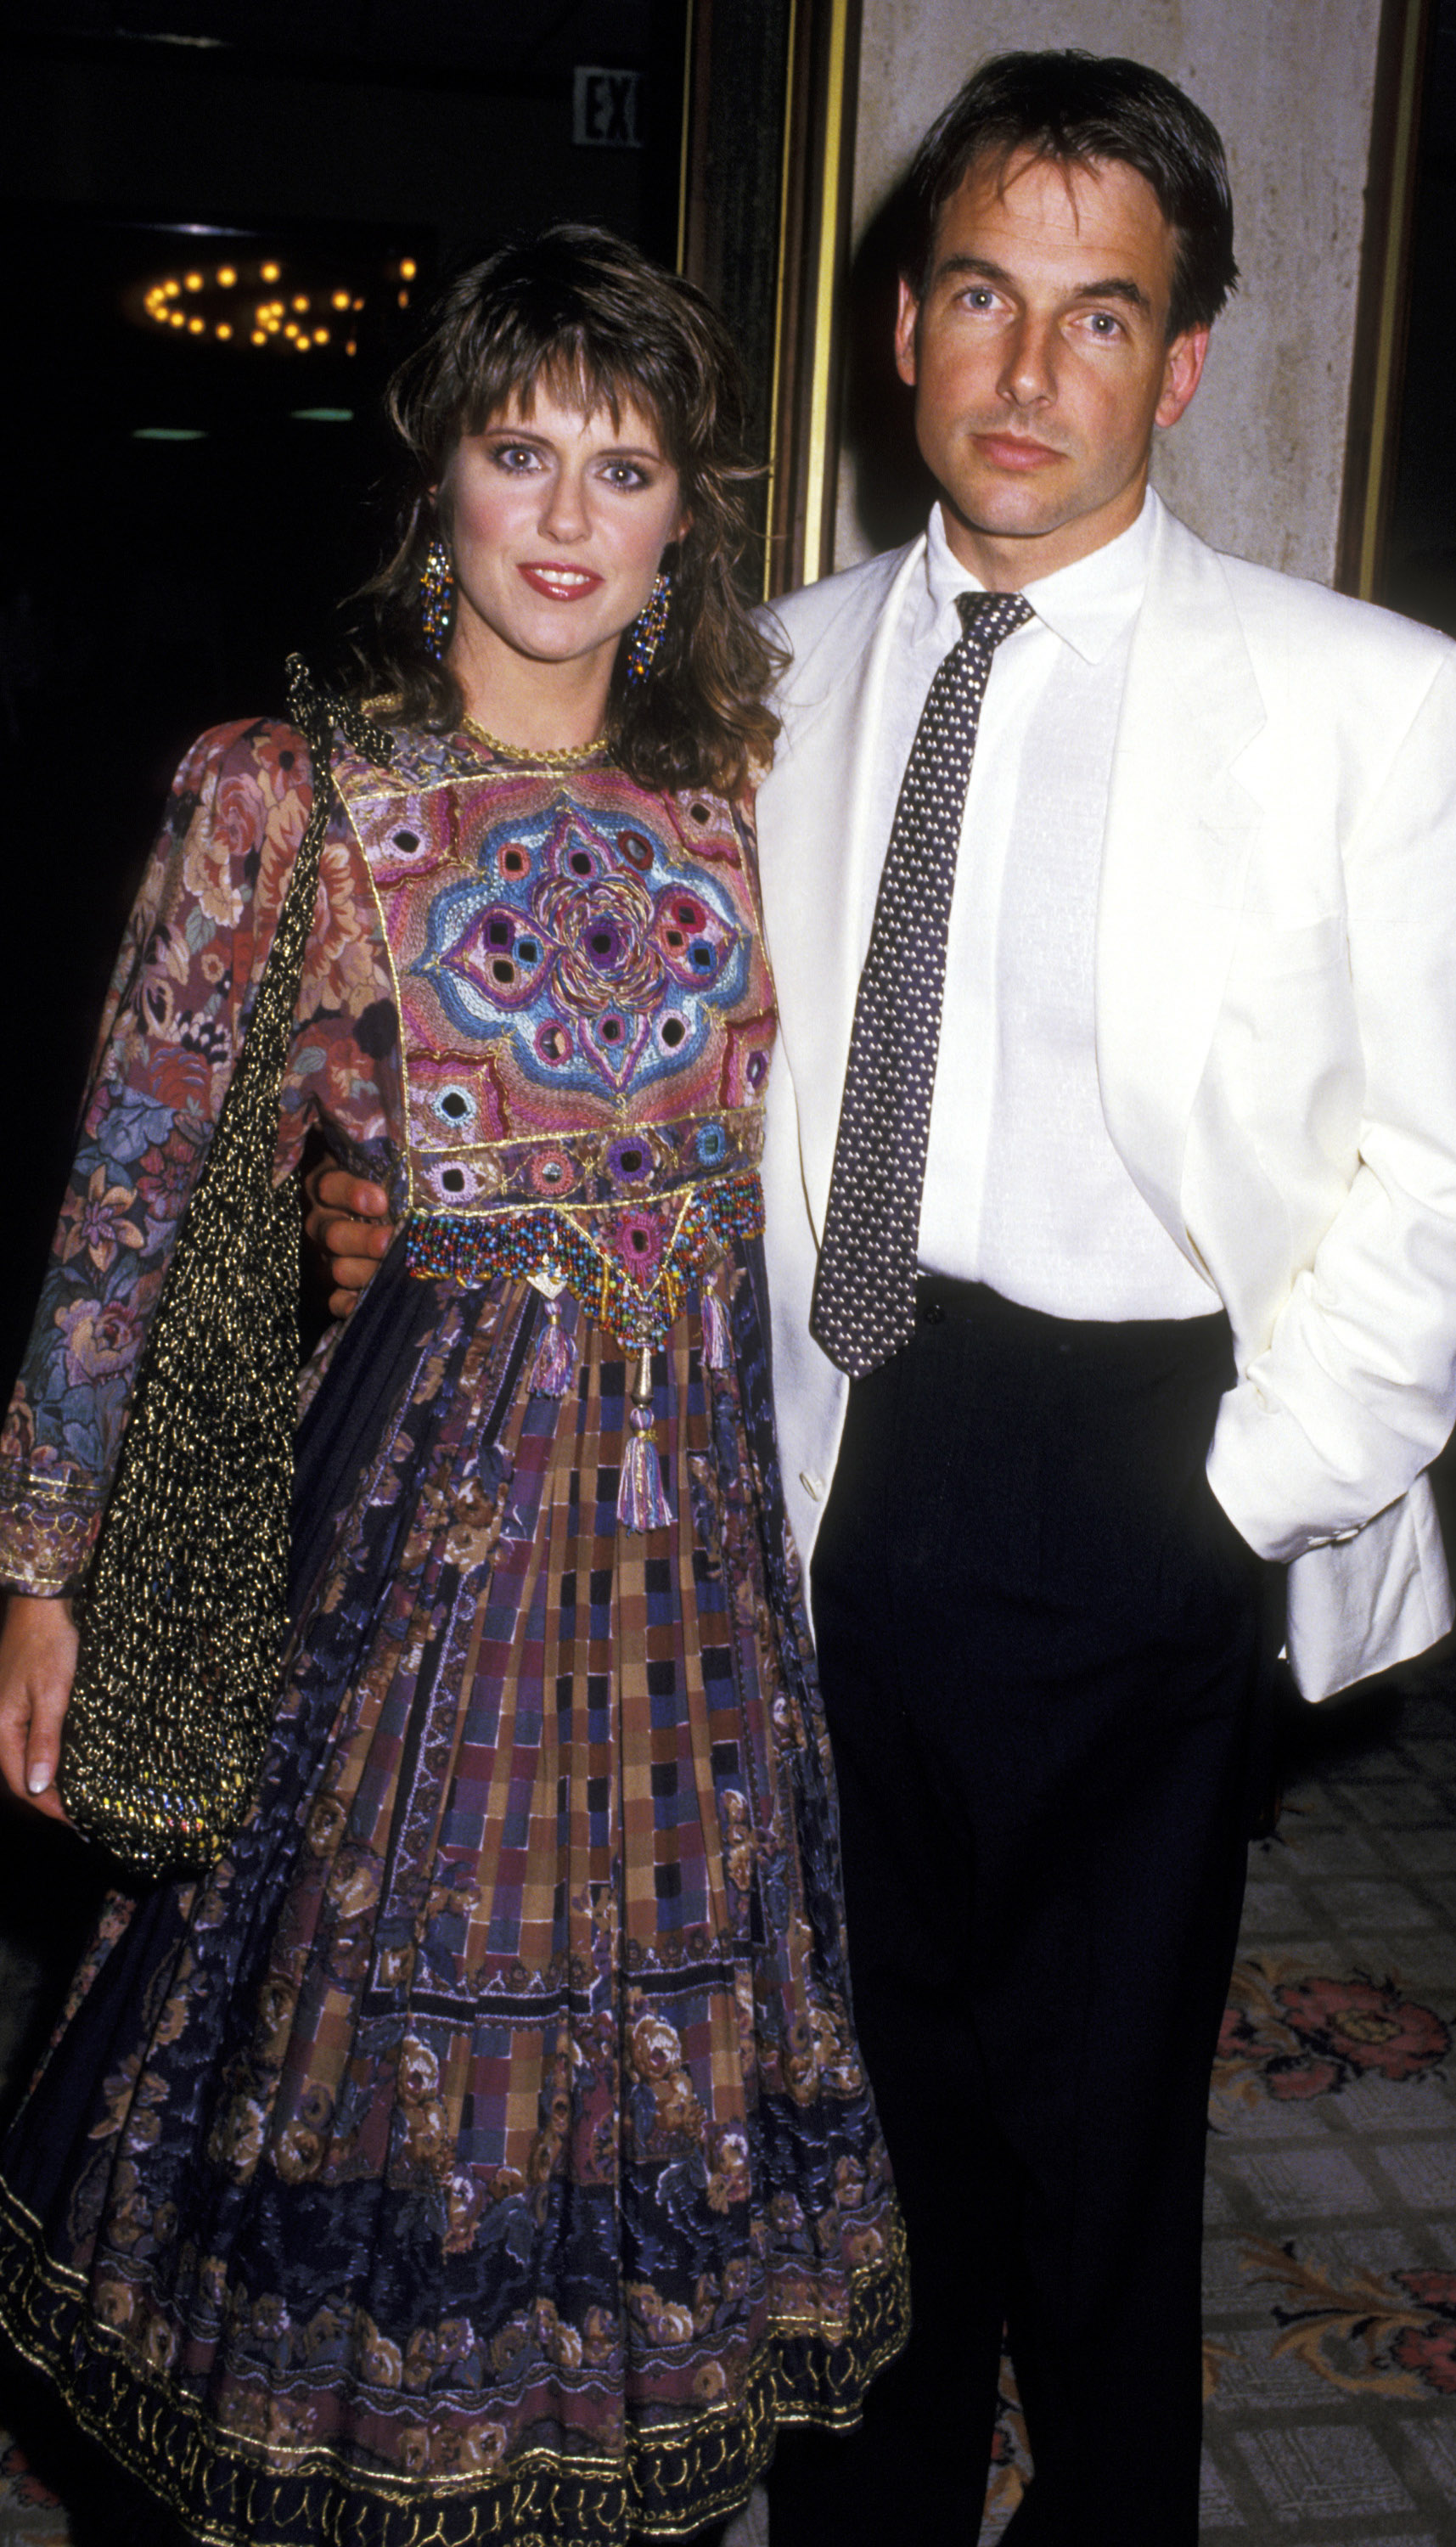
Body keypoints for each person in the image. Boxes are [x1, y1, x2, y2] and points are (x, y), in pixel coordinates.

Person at [315, 53, 1456, 2545]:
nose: (1028, 368)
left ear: (1179, 366)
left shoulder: (1369, 700)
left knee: (1099, 2145)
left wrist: (1247, 1501)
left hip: (1148, 1462)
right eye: (983, 294)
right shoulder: (760, 668)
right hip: (826, 1448)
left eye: (1100, 319)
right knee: (844, 2124)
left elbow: (1455, 1164)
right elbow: (619, 1025)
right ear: (905, 322)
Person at [0, 223, 903, 2546]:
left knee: (653, 2076)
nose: (575, 516)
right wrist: (44, 1566)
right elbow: (125, 1191)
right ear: (443, 484)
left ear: (692, 511)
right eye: (525, 453)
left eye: (628, 462)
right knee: (363, 2067)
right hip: (422, 1555)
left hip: (696, 1566)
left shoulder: (739, 803)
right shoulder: (279, 794)